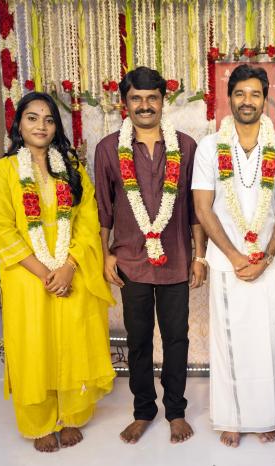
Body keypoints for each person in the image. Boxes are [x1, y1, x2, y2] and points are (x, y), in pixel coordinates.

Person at [0, 92, 115, 452]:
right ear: (19, 124)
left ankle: (71, 414)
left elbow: (88, 220)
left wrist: (69, 266)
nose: (41, 126)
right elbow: (2, 229)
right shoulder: (4, 171)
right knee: (33, 345)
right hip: (27, 276)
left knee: (73, 340)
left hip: (71, 270)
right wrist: (45, 271)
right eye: (32, 118)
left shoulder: (71, 168)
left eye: (48, 119)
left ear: (56, 127)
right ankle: (39, 422)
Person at [94, 66, 207, 444]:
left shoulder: (186, 146)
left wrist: (199, 255)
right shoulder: (108, 148)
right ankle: (143, 411)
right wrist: (105, 255)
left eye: (152, 98)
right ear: (124, 103)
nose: (145, 105)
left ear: (163, 101)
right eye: (136, 98)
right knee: (139, 340)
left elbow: (195, 209)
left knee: (177, 339)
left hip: (176, 259)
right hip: (130, 260)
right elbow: (103, 209)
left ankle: (176, 410)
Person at [192, 64, 275, 447]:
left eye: (254, 94)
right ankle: (231, 418)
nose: (247, 101)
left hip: (267, 262)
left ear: (265, 99)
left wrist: (265, 257)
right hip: (225, 263)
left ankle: (266, 416)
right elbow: (203, 208)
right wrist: (235, 256)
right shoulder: (209, 147)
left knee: (267, 343)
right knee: (230, 343)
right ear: (229, 98)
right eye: (240, 93)